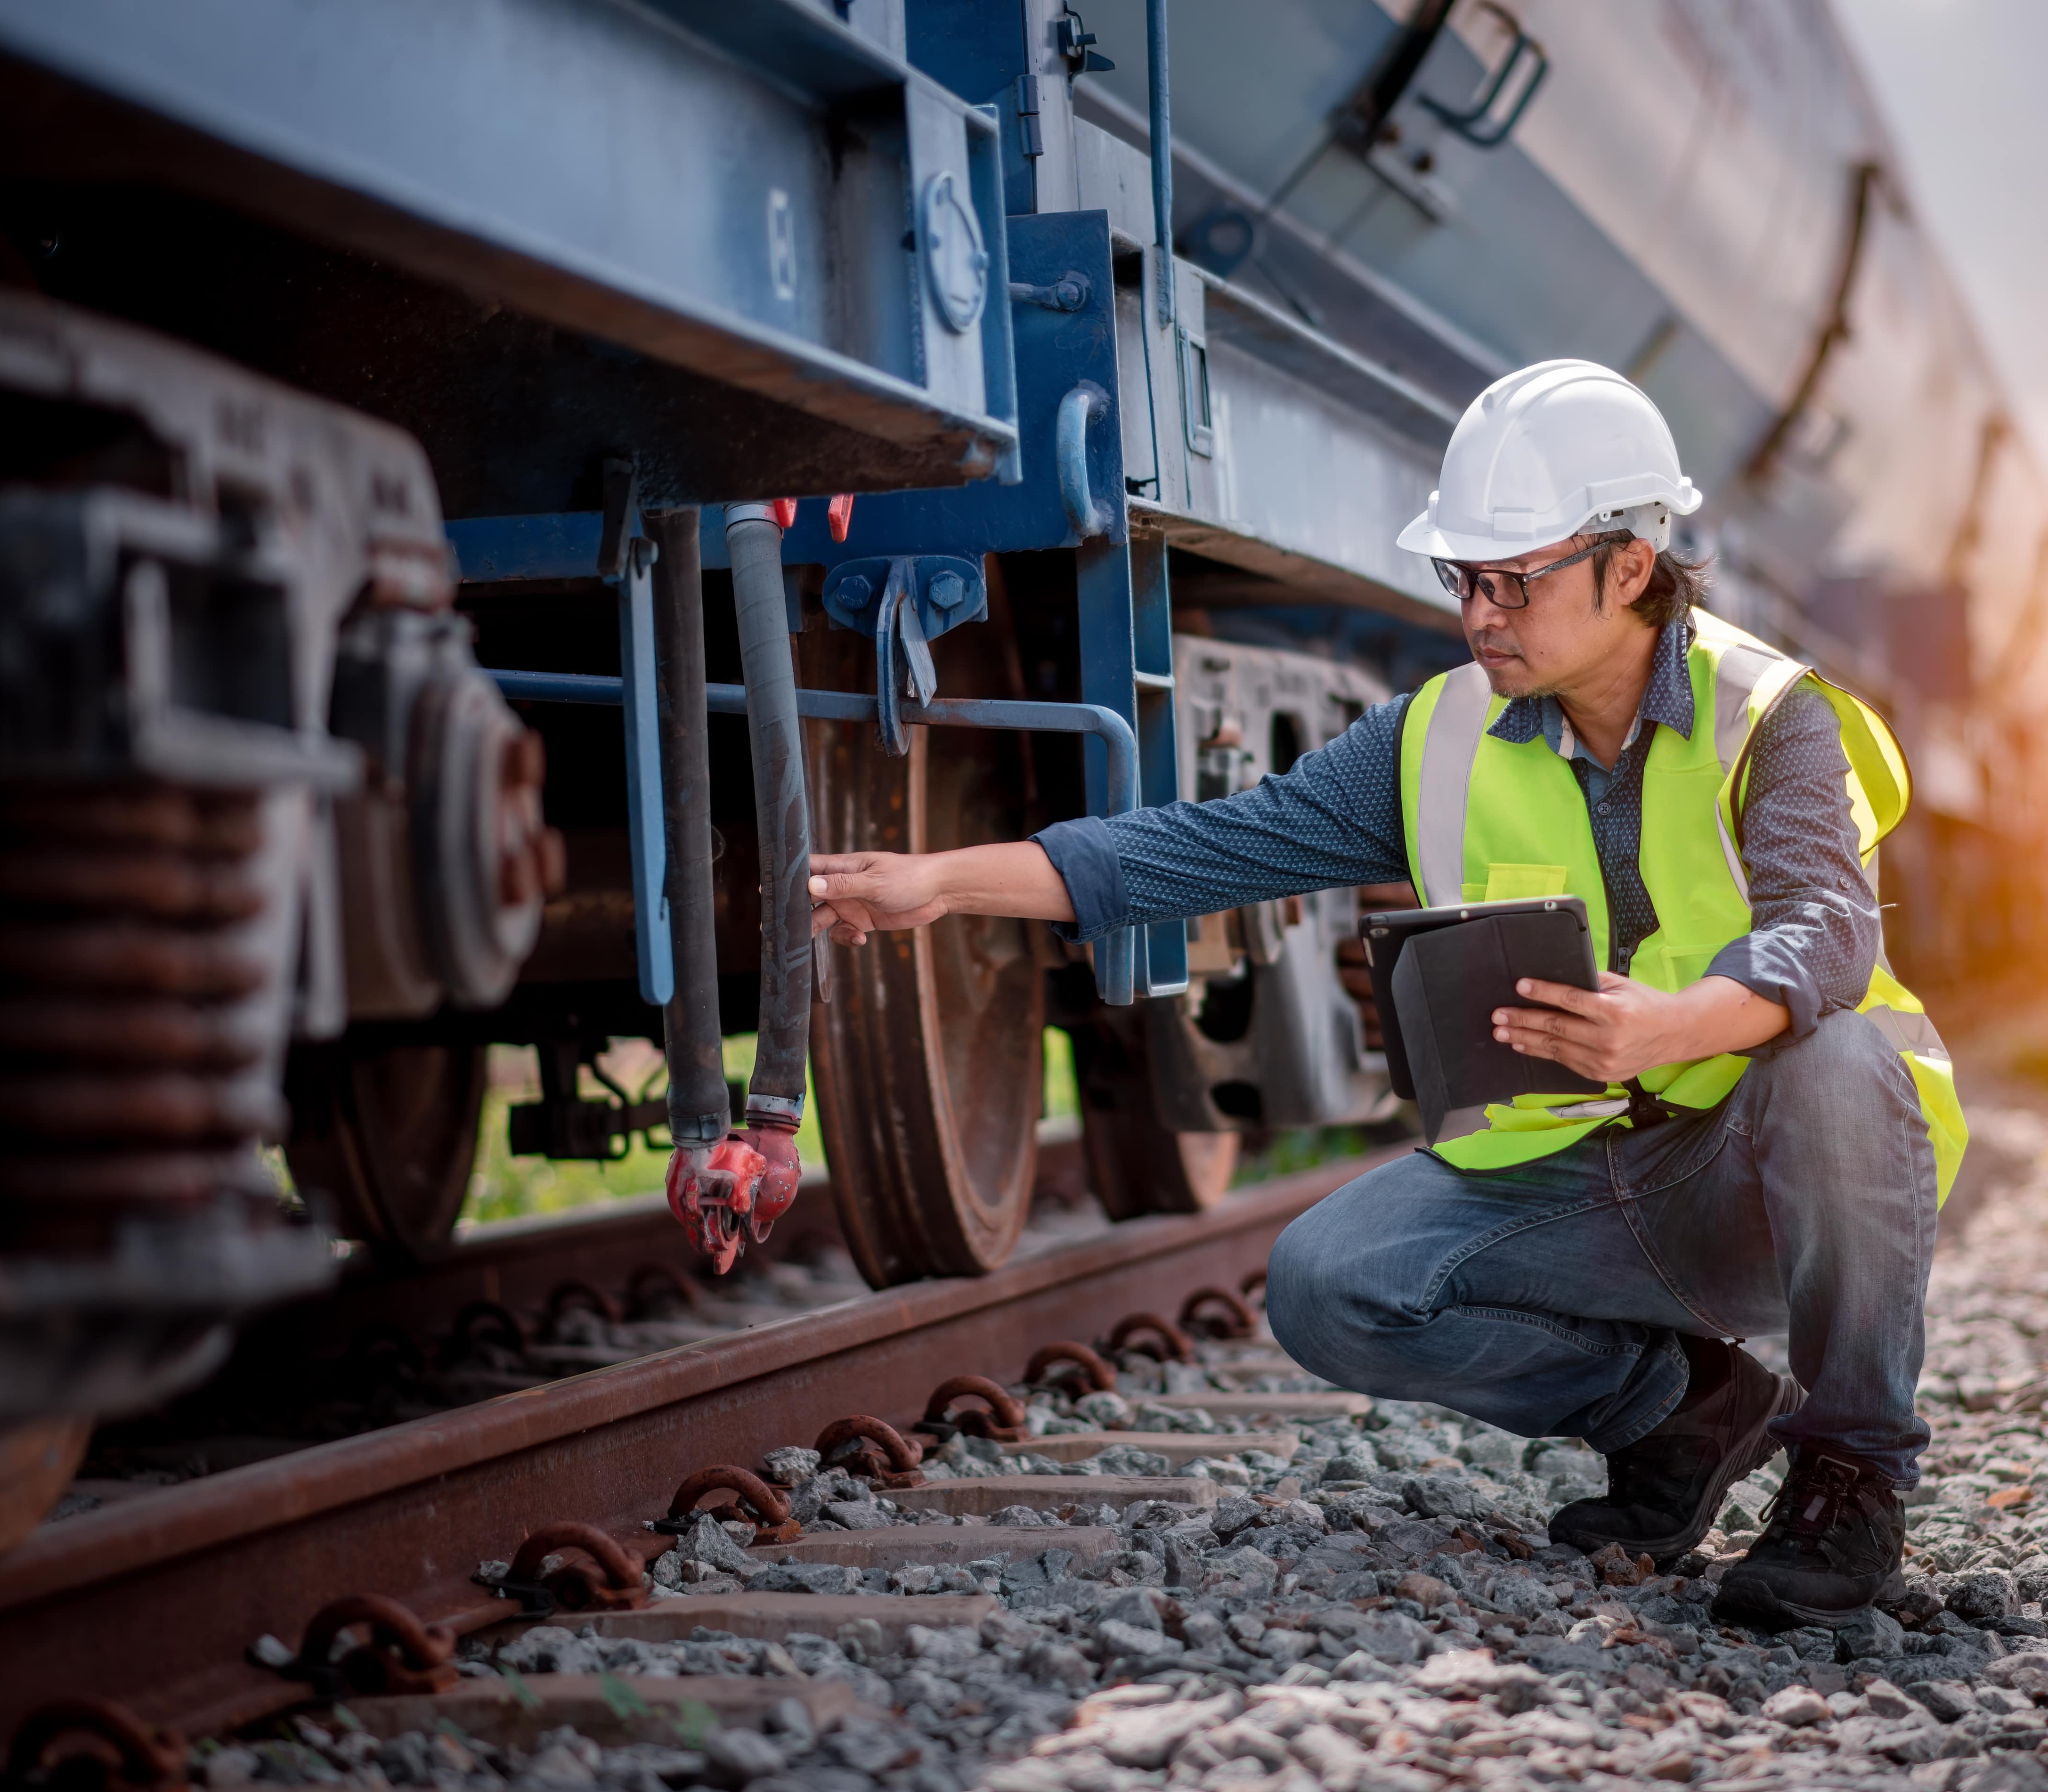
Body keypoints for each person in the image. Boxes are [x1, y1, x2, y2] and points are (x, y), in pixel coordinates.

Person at [805, 359, 1967, 1629]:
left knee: (1844, 1060)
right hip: (1595, 1182)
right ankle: (1685, 1414)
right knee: (1327, 1279)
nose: (1478, 613)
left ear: (1629, 566)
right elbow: (1204, 845)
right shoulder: (1437, 736)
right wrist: (942, 883)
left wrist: (1675, 1022)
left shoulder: (1774, 717)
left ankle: (1852, 1476)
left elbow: (1825, 931)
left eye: (1511, 579)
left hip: (1770, 1184)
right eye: (1460, 578)